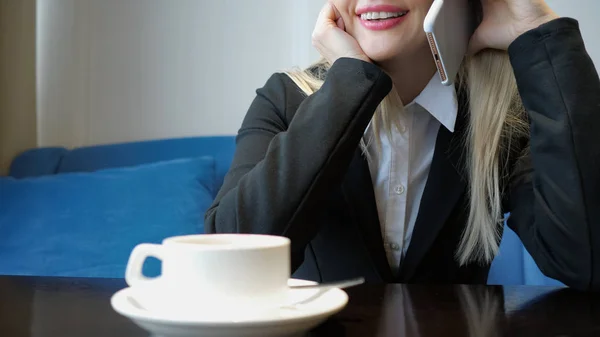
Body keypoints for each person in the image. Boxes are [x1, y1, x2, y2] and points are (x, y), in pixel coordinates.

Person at [205, 0, 600, 291]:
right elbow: (229, 262)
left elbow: (585, 261)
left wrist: (542, 35)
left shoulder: (500, 117)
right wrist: (349, 85)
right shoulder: (286, 99)